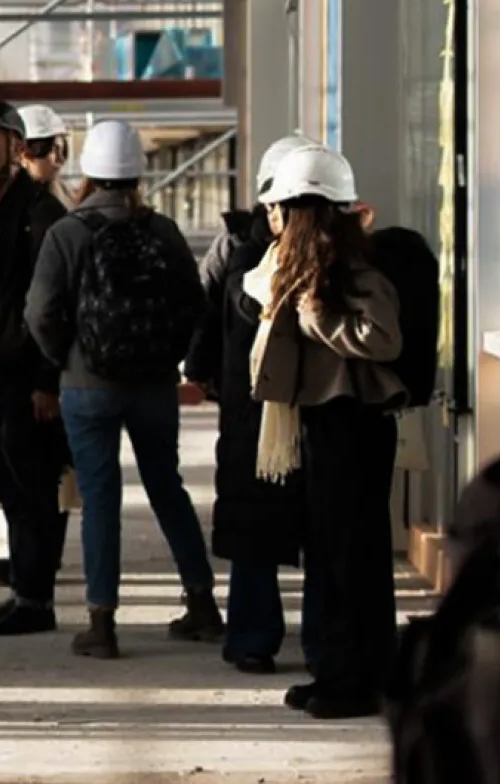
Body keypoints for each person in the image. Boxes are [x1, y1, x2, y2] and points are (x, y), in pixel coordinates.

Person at [24, 120, 223, 659]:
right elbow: (194, 306)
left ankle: (102, 622)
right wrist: (166, 356)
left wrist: (68, 356)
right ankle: (203, 604)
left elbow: (39, 313)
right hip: (154, 385)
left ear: (88, 171)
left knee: (101, 498)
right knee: (167, 488)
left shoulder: (66, 234)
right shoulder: (161, 231)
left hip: (86, 386)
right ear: (137, 172)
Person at [249, 145, 405, 720]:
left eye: (285, 211)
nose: (278, 222)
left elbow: (383, 338)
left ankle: (361, 680)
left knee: (353, 559)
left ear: (306, 214)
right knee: (331, 556)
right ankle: (339, 672)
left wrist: (321, 319)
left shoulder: (355, 271)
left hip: (353, 426)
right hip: (326, 422)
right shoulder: (315, 267)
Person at [185, 134, 324, 675]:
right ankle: (319, 643)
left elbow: (211, 336)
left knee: (254, 536)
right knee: (318, 535)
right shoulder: (334, 266)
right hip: (305, 420)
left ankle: (252, 638)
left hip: (250, 419)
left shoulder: (244, 262)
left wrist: (208, 379)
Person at [0, 101, 69, 637]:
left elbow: (55, 304)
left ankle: (37, 602)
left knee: (34, 493)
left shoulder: (40, 213)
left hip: (29, 383)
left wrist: (48, 381)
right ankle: (25, 594)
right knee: (11, 492)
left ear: (17, 147)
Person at [17, 104, 71, 204]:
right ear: (22, 153)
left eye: (63, 150)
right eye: (46, 149)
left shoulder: (65, 196)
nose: (60, 160)